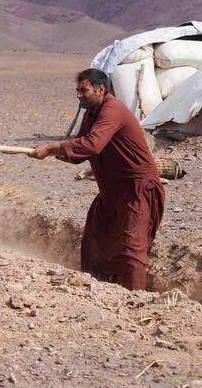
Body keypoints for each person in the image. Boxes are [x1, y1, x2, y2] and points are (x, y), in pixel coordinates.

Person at [28, 68, 165, 290]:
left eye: (83, 90)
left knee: (132, 250)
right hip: (111, 193)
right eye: (77, 90)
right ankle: (98, 291)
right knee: (96, 241)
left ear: (100, 89)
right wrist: (50, 153)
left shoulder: (112, 110)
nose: (78, 95)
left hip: (136, 191)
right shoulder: (92, 113)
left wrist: (52, 148)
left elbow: (93, 144)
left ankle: (136, 300)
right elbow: (81, 147)